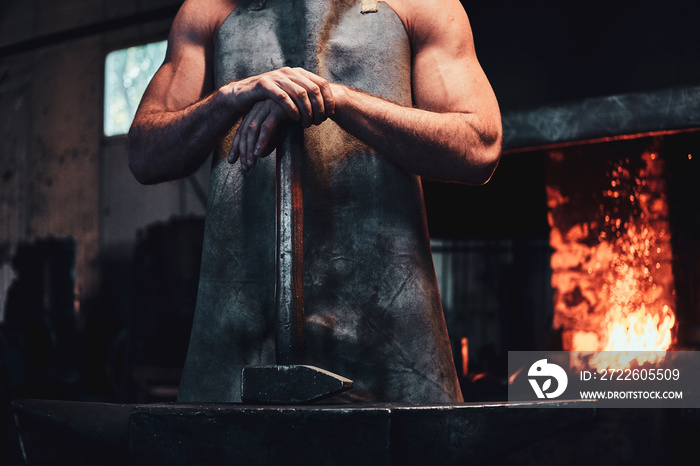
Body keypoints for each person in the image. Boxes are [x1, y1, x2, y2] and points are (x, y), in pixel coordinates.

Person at [128, 0, 502, 403]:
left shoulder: (423, 5)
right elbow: (146, 153)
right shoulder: (206, 11)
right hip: (240, 340)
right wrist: (231, 96)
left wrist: (337, 98)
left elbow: (478, 145)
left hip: (389, 339)